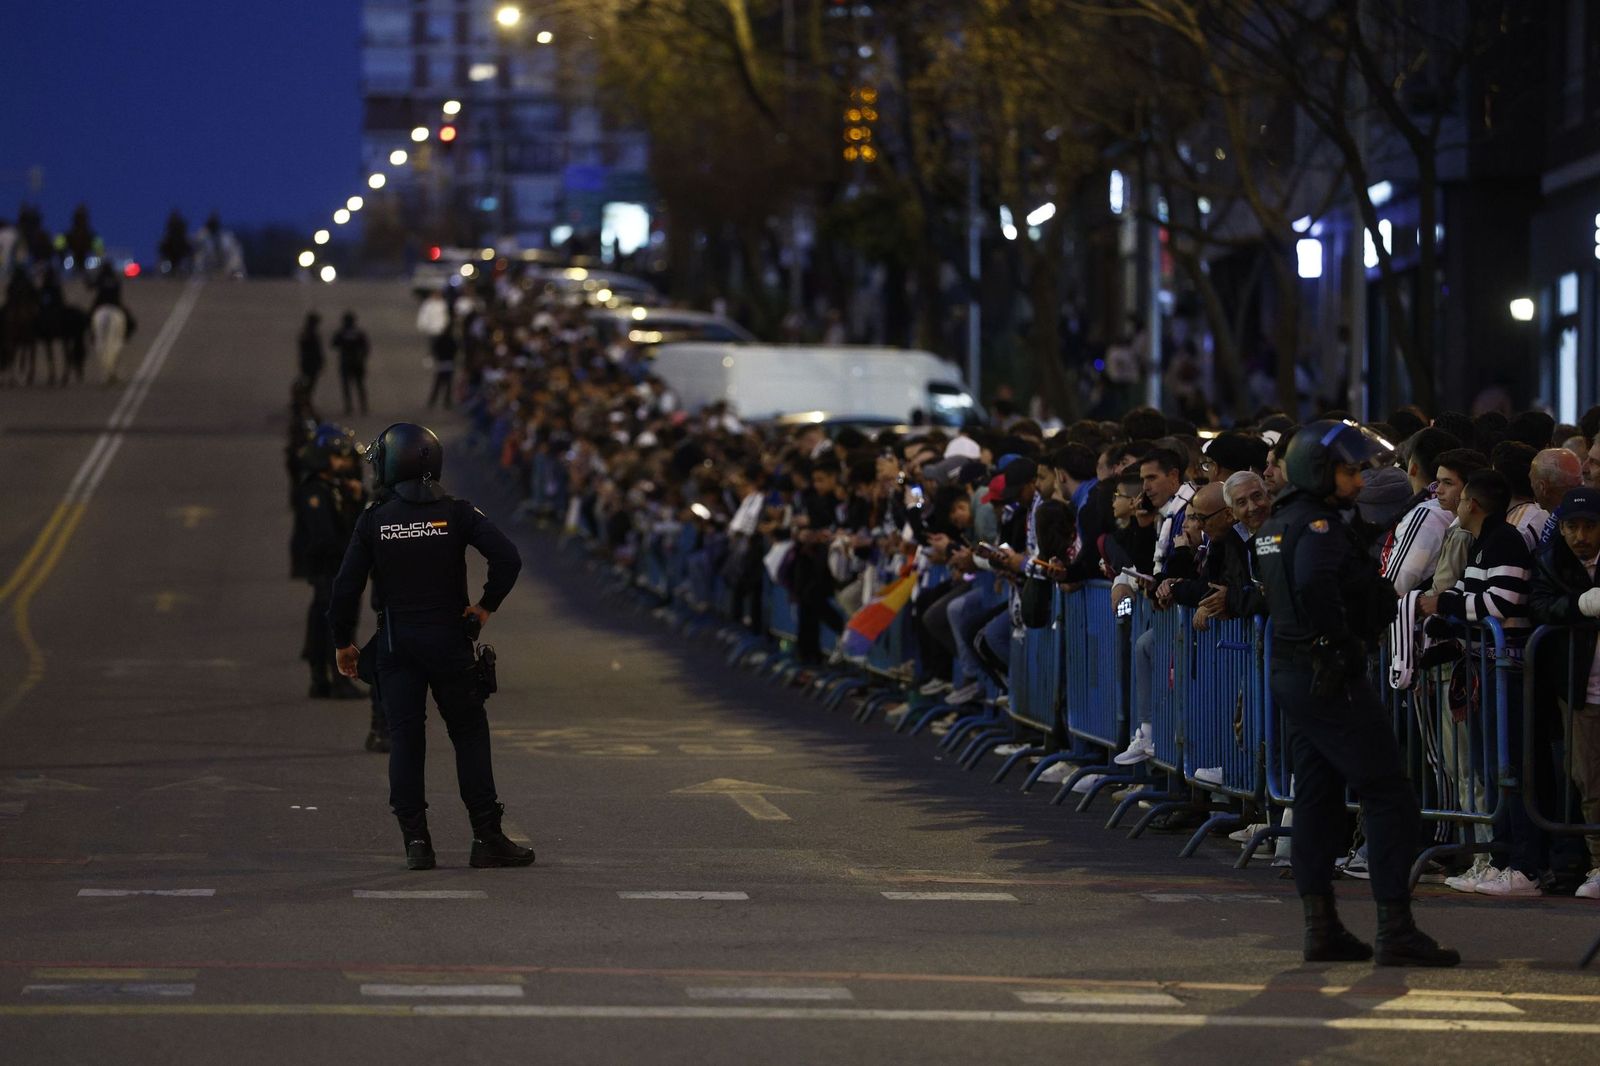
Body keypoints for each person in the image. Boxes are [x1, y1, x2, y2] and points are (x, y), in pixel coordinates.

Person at [1254, 420, 1459, 966]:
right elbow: (1315, 583)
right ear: (1319, 471)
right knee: (1388, 791)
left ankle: (1321, 927)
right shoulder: (1319, 525)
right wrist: (1337, 642)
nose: (1358, 480)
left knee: (1316, 800)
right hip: (1328, 673)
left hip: (1296, 673)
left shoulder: (1279, 523)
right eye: (1347, 470)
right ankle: (1396, 928)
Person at [328, 422, 533, 871]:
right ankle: (486, 837)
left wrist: (344, 642)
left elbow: (345, 589)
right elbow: (508, 558)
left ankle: (417, 844)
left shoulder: (374, 519)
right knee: (468, 734)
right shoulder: (457, 513)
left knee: (406, 739)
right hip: (449, 642)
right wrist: (483, 608)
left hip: (397, 644)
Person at [1527, 487, 1600, 900]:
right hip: (1579, 689)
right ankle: (1599, 862)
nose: (1580, 535)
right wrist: (1583, 604)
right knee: (1589, 782)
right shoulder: (1552, 559)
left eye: (1589, 526)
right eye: (1572, 526)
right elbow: (1539, 605)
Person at [290, 424, 367, 701]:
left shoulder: (332, 488)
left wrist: (356, 499)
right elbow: (327, 536)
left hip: (334, 568)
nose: (343, 463)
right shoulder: (315, 492)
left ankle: (322, 679)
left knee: (328, 622)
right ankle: (336, 679)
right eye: (337, 457)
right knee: (335, 626)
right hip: (329, 569)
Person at [331, 312, 370, 415]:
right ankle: (363, 406)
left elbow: (333, 343)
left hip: (346, 362)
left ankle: (349, 407)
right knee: (359, 385)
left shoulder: (341, 333)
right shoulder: (359, 333)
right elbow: (366, 347)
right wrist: (362, 357)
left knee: (348, 386)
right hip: (357, 362)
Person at [298, 312, 324, 394]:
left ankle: (304, 399)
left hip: (309, 361)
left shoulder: (307, 333)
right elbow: (315, 349)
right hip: (310, 361)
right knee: (309, 382)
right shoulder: (309, 333)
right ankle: (303, 399)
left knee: (308, 381)